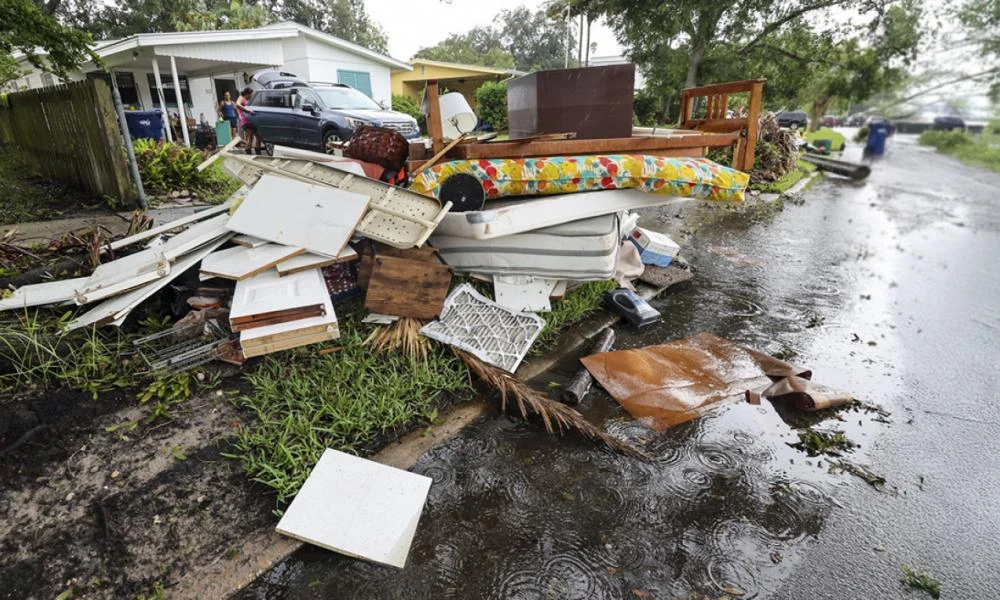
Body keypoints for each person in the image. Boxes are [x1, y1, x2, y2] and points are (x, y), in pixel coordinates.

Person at [236, 87, 262, 154]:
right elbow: (237, 104)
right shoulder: (241, 98)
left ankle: (258, 151)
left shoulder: (250, 99)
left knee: (259, 136)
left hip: (253, 121)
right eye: (250, 94)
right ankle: (248, 152)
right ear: (247, 94)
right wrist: (247, 110)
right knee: (250, 138)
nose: (251, 96)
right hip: (246, 121)